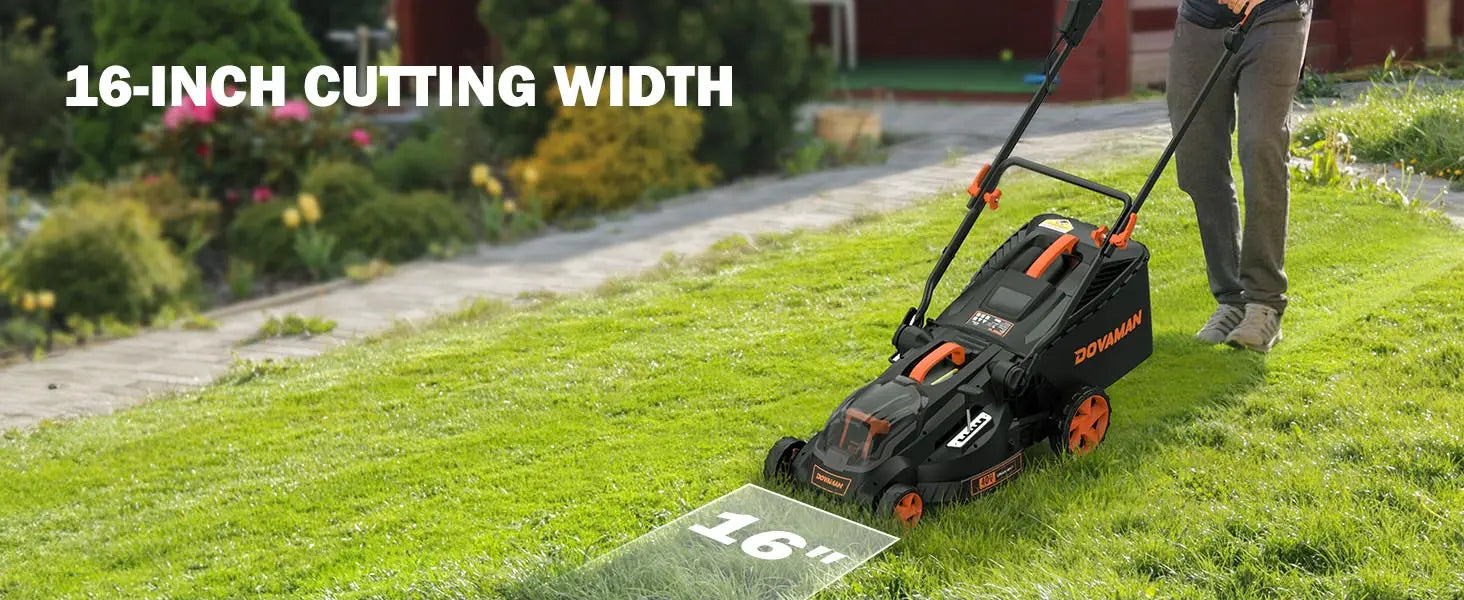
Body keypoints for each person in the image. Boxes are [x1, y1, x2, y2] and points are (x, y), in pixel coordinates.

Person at [1169, 0, 1312, 352]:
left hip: (1275, 15)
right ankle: (1232, 299)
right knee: (1197, 159)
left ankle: (1264, 302)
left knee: (1261, 145)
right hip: (1200, 20)